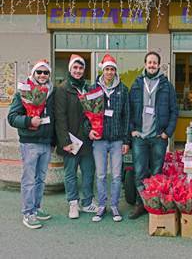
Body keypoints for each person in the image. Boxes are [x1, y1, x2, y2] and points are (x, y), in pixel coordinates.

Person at [129, 51, 178, 219]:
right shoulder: (137, 84)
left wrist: (167, 133)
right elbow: (128, 110)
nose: (151, 65)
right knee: (140, 172)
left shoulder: (166, 85)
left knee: (157, 172)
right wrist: (132, 130)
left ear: (158, 65)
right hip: (140, 137)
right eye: (149, 62)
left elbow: (174, 111)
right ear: (145, 64)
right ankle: (140, 203)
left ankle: (154, 204)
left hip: (158, 137)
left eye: (154, 63)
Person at [8, 59, 55, 229]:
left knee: (40, 179)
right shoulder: (23, 92)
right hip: (30, 143)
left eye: (46, 72)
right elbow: (12, 117)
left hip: (46, 142)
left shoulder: (51, 92)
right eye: (39, 72)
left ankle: (36, 207)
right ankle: (28, 213)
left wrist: (54, 140)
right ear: (33, 74)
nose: (42, 75)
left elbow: (54, 118)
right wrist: (29, 121)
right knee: (29, 179)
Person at [55, 54, 98, 219]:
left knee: (88, 172)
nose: (78, 71)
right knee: (71, 173)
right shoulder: (62, 89)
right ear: (70, 69)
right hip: (71, 141)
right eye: (75, 68)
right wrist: (65, 141)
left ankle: (87, 202)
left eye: (81, 68)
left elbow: (92, 114)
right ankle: (73, 203)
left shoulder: (88, 88)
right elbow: (60, 117)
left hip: (86, 140)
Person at [91, 54, 130, 222]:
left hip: (116, 140)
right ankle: (101, 205)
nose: (109, 72)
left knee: (115, 175)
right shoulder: (94, 88)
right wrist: (89, 131)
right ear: (102, 70)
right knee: (100, 175)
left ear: (115, 71)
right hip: (99, 139)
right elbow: (88, 114)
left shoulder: (122, 89)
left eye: (112, 69)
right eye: (107, 69)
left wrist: (126, 140)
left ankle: (114, 205)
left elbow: (126, 116)